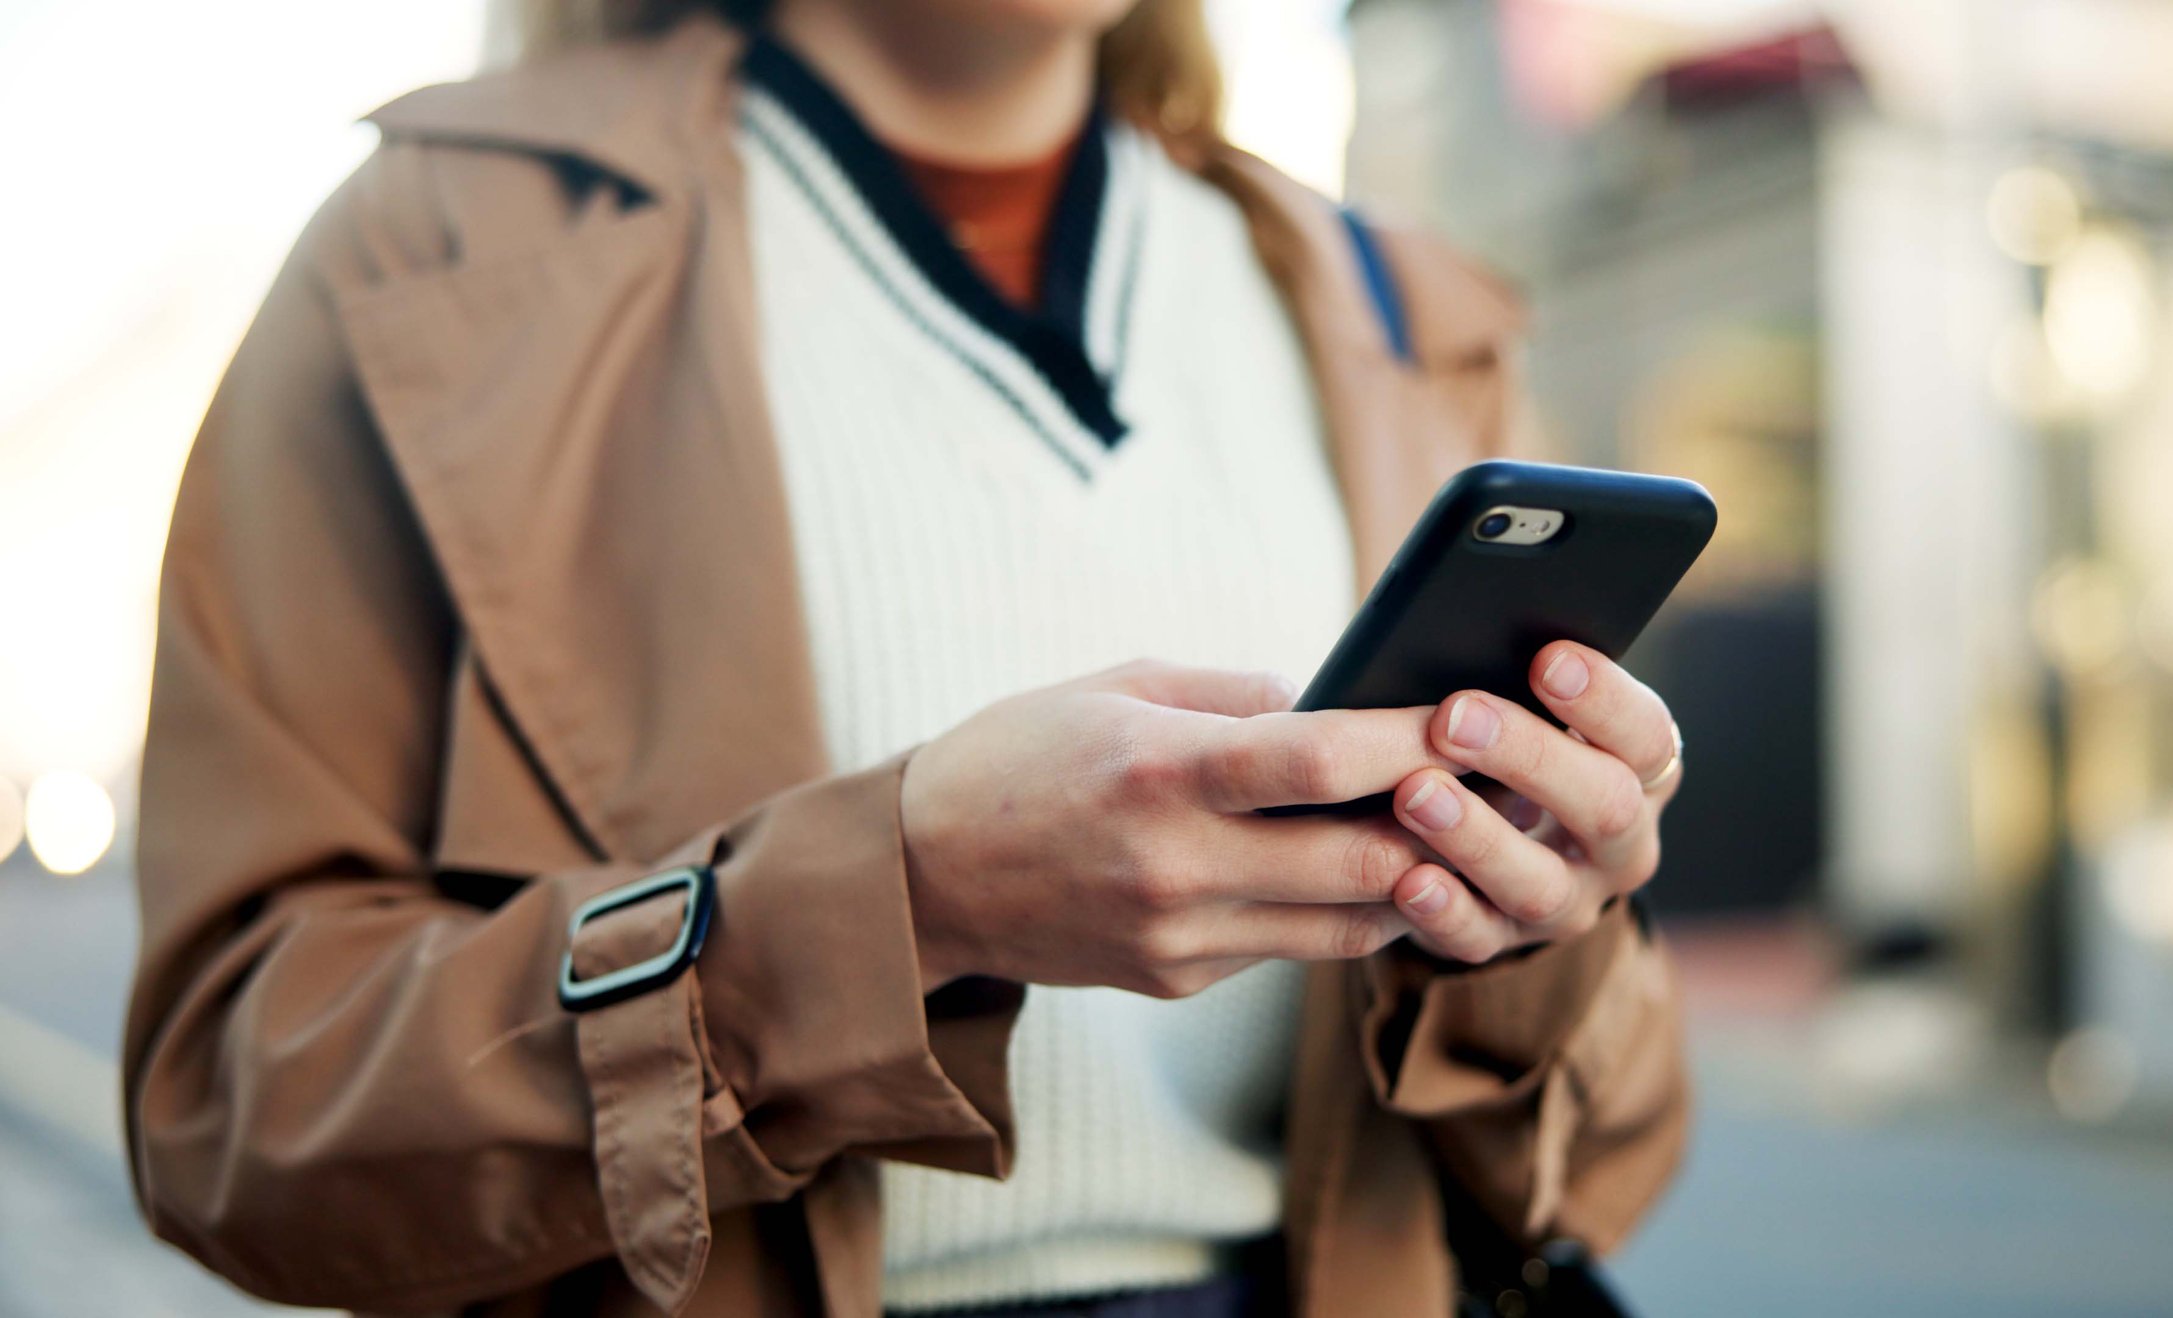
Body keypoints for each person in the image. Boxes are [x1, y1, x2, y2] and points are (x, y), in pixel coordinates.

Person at [120, 1, 1692, 1314]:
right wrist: (902, 898)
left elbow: (1614, 1155)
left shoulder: (1391, 311)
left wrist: (1533, 922)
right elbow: (235, 1110)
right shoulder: (429, 248)